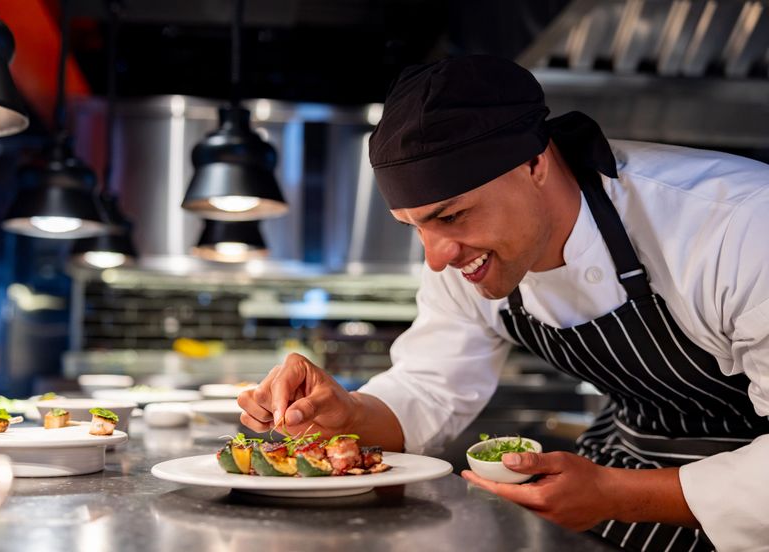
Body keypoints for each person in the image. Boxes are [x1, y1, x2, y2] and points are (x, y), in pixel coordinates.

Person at [238, 55, 769, 551]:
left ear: (535, 164)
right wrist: (346, 411)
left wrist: (617, 493)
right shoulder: (468, 257)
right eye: (414, 227)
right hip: (613, 488)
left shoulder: (739, 226)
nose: (437, 258)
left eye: (450, 217)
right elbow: (430, 388)